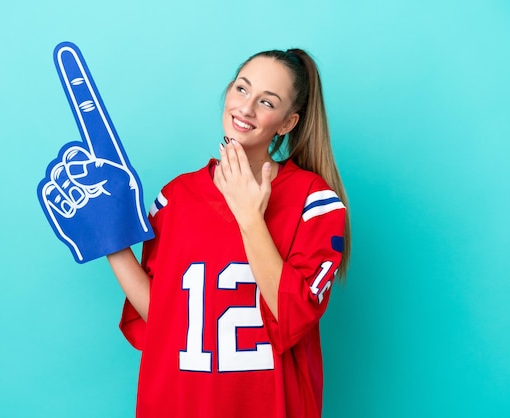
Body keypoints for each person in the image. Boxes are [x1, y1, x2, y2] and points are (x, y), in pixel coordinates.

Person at [107, 48, 351, 418]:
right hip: (178, 405)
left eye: (267, 102)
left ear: (287, 123)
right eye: (241, 89)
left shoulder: (313, 201)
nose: (246, 108)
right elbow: (166, 321)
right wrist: (111, 241)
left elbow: (293, 316)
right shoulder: (175, 198)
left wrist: (249, 217)